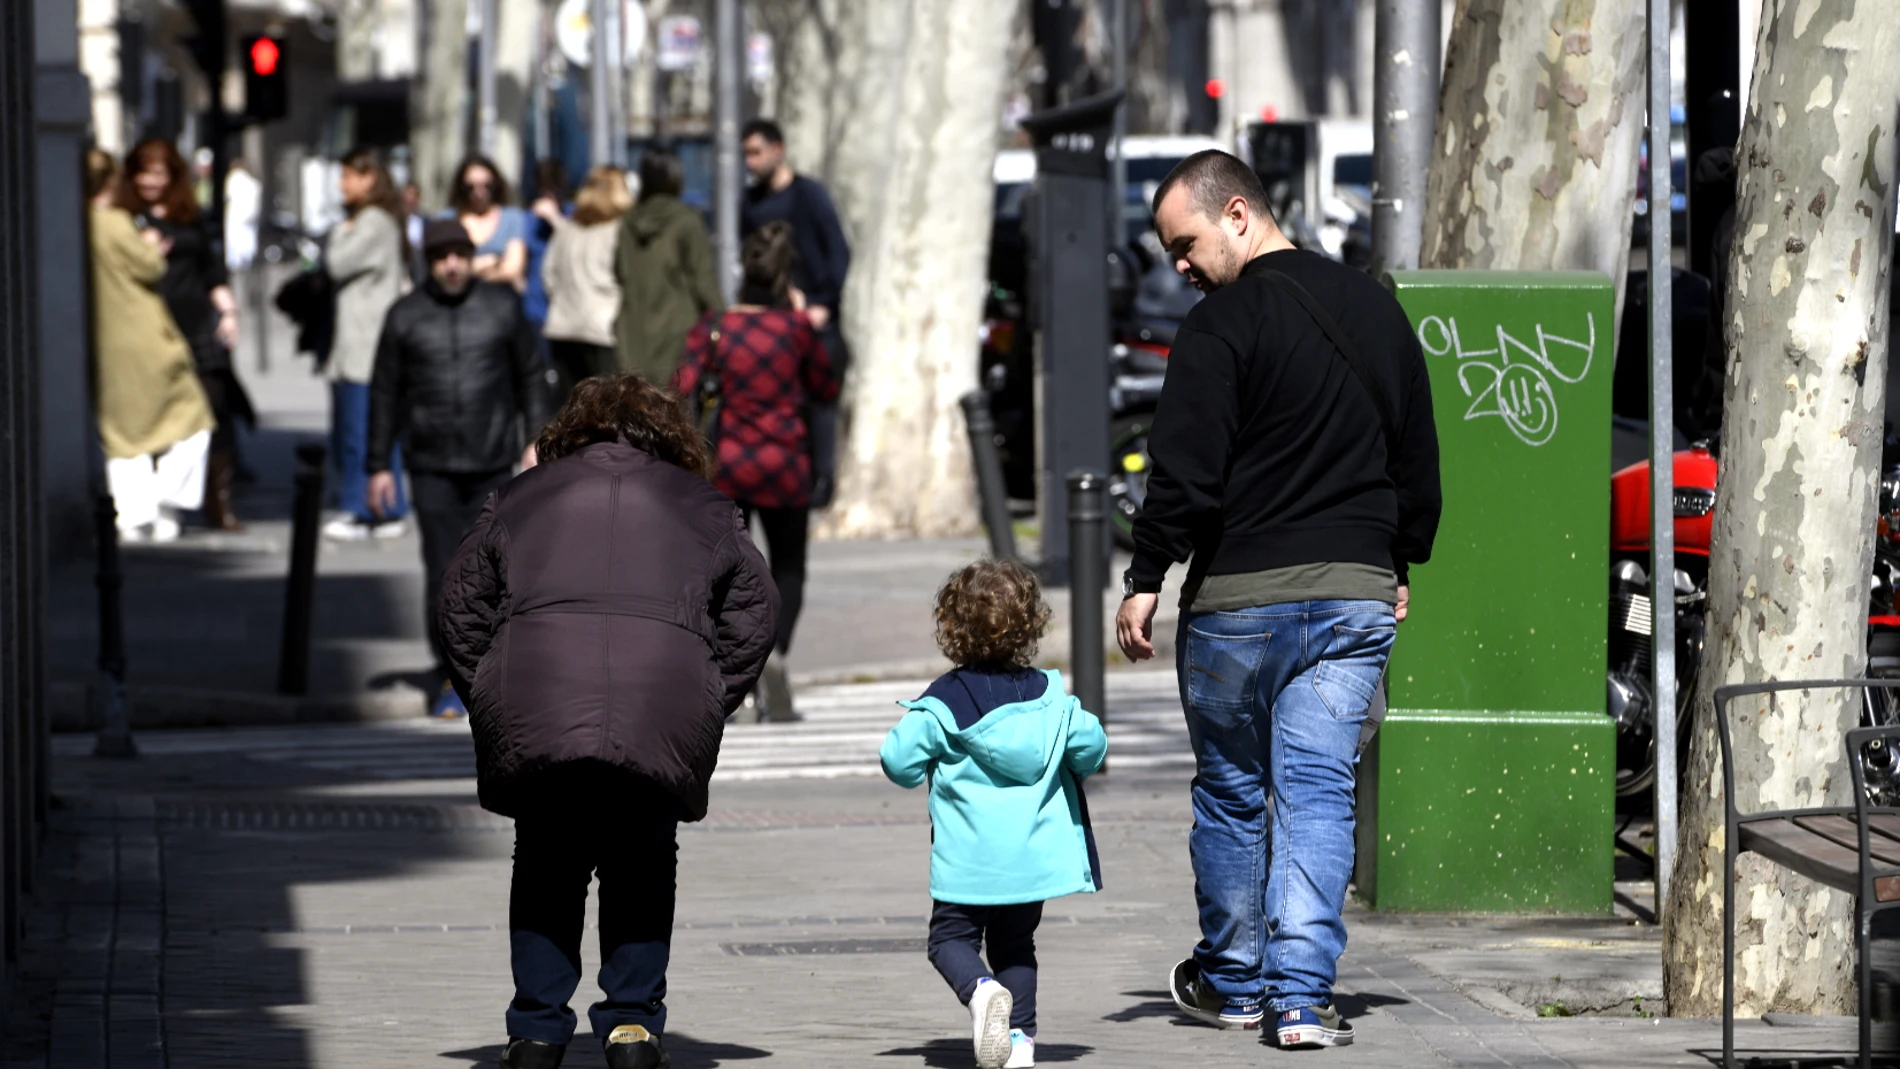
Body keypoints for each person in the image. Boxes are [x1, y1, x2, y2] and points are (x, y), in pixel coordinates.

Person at [1113, 150, 1442, 1049]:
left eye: (1185, 243)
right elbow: (1416, 456)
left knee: (1231, 790)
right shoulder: (1377, 310)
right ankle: (1301, 998)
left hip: (1237, 605)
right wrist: (1399, 560)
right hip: (1353, 601)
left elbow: (1183, 471)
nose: (1178, 265)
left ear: (1239, 215)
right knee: (1319, 793)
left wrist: (1147, 577)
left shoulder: (1221, 328)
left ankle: (1232, 979)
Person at [437, 373, 778, 1069]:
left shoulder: (521, 496)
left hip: (542, 696)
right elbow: (755, 611)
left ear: (569, 433)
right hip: (661, 700)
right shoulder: (705, 507)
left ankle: (536, 1028)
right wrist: (712, 691)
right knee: (643, 859)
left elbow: (459, 605)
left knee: (546, 863)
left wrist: (496, 692)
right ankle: (631, 1024)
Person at [879, 559, 1107, 1069]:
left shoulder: (944, 702)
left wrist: (923, 766)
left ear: (953, 629)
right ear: (1030, 626)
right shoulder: (1052, 698)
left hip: (968, 864)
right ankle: (1020, 1044)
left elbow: (898, 760)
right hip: (1031, 862)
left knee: (949, 941)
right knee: (1016, 945)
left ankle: (981, 993)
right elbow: (1091, 746)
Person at [366, 219, 552, 719]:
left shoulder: (501, 307)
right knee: (443, 574)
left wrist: (535, 440)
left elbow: (530, 377)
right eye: (441, 255)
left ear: (471, 256)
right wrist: (378, 464)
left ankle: (491, 672)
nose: (451, 264)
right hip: (431, 465)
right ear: (428, 261)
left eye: (459, 254)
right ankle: (452, 675)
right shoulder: (406, 316)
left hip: (492, 462)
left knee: (493, 572)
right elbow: (384, 392)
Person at [671, 222, 838, 721]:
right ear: (785, 277)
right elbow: (826, 388)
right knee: (789, 567)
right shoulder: (798, 330)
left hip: (731, 466)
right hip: (787, 465)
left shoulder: (716, 327)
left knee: (725, 570)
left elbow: (681, 382)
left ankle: (736, 670)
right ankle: (777, 654)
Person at [119, 137, 254, 531]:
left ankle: (219, 502)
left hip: (197, 325)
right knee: (158, 411)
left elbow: (211, 270)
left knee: (215, 410)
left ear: (172, 176)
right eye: (142, 172)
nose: (150, 181)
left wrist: (229, 312)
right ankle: (160, 506)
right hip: (150, 328)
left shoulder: (188, 216)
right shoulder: (127, 218)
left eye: (158, 173)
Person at [86, 148, 217, 543]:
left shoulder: (78, 222)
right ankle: (160, 502)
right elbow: (150, 266)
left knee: (125, 433)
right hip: (143, 337)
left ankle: (134, 515)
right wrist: (151, 246)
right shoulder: (112, 222)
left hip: (105, 340)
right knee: (194, 420)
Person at [740, 118, 852, 507]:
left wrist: (822, 304)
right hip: (773, 323)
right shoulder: (751, 203)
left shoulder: (810, 195)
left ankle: (823, 481)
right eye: (746, 155)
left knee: (820, 402)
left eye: (756, 152)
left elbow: (838, 252)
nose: (750, 162)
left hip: (815, 319)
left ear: (777, 149)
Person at [322, 147, 412, 541]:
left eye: (348, 176)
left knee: (362, 430)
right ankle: (383, 507)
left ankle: (365, 507)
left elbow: (336, 263)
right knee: (370, 428)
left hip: (366, 345)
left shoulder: (373, 221)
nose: (341, 184)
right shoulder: (378, 219)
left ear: (369, 178)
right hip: (358, 344)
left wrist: (339, 235)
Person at [614, 149, 722, 386]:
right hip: (678, 334)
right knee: (679, 414)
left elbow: (619, 272)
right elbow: (703, 280)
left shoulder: (627, 223)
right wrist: (724, 319)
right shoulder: (687, 220)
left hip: (633, 334)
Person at [542, 166, 629, 405]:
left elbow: (548, 274)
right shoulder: (620, 230)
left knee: (570, 410)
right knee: (607, 409)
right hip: (603, 332)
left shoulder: (568, 228)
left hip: (563, 327)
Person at [447, 155, 530, 292]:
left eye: (486, 185)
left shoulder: (512, 218)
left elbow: (513, 269)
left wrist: (468, 269)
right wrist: (494, 262)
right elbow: (444, 270)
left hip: (502, 301)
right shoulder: (448, 220)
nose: (479, 193)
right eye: (471, 187)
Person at [524, 159, 569, 343]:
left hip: (567, 311)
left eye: (554, 189)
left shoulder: (573, 216)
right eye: (544, 189)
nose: (549, 196)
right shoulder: (527, 220)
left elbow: (576, 245)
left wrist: (555, 219)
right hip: (535, 310)